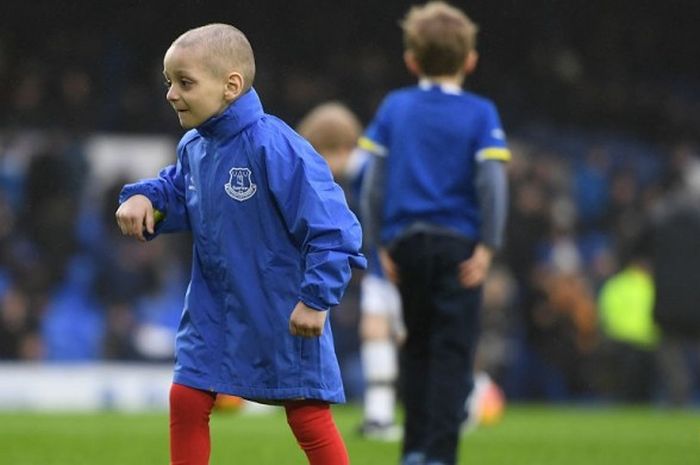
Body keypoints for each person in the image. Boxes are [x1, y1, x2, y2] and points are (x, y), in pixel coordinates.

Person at [115, 24, 366, 465]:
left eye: (185, 82)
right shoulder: (195, 145)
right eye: (169, 82)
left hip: (282, 307)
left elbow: (334, 227)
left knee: (307, 414)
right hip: (213, 307)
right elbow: (178, 192)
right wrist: (144, 197)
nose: (172, 94)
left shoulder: (277, 145)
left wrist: (316, 298)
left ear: (231, 86)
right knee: (187, 398)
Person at [361, 3, 511, 465]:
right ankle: (440, 455)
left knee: (416, 348)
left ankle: (414, 449)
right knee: (452, 351)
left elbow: (372, 181)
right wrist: (488, 245)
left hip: (405, 243)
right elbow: (492, 182)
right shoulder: (481, 112)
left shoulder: (395, 106)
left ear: (411, 60)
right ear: (470, 60)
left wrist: (378, 242)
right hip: (458, 246)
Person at [297, 102, 404, 441]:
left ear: (342, 149)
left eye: (320, 156)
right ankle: (379, 416)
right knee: (374, 331)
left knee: (409, 338)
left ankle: (471, 394)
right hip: (380, 265)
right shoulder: (358, 177)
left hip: (399, 263)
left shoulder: (377, 172)